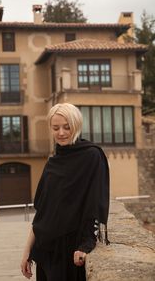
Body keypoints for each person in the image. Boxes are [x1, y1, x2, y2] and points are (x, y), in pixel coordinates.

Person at [21, 103, 110, 281]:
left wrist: (86, 245)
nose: (61, 133)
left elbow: (93, 202)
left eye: (67, 127)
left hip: (70, 248)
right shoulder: (52, 162)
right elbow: (42, 213)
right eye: (55, 128)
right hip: (46, 249)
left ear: (76, 125)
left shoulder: (91, 156)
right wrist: (27, 252)